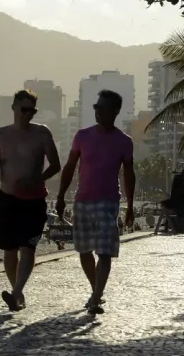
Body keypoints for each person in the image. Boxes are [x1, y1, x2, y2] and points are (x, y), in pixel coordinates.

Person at [57, 89, 135, 315]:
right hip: (82, 201)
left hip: (108, 202)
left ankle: (96, 298)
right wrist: (61, 196)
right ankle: (96, 292)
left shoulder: (124, 141)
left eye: (101, 108)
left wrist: (130, 206)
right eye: (96, 107)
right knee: (84, 251)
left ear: (115, 111)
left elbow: (129, 174)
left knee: (105, 252)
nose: (97, 112)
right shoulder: (82, 136)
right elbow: (70, 167)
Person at [0, 89, 61, 312]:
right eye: (24, 109)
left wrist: (36, 179)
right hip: (7, 198)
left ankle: (16, 293)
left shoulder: (42, 134)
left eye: (32, 110)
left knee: (28, 247)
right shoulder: (0, 135)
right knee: (9, 251)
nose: (28, 114)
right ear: (14, 108)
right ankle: (17, 292)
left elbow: (56, 165)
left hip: (34, 199)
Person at [161, 167, 184, 233]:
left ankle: (180, 226)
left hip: (178, 201)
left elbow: (182, 189)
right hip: (176, 202)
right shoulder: (179, 179)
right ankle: (180, 227)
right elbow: (181, 190)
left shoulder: (179, 179)